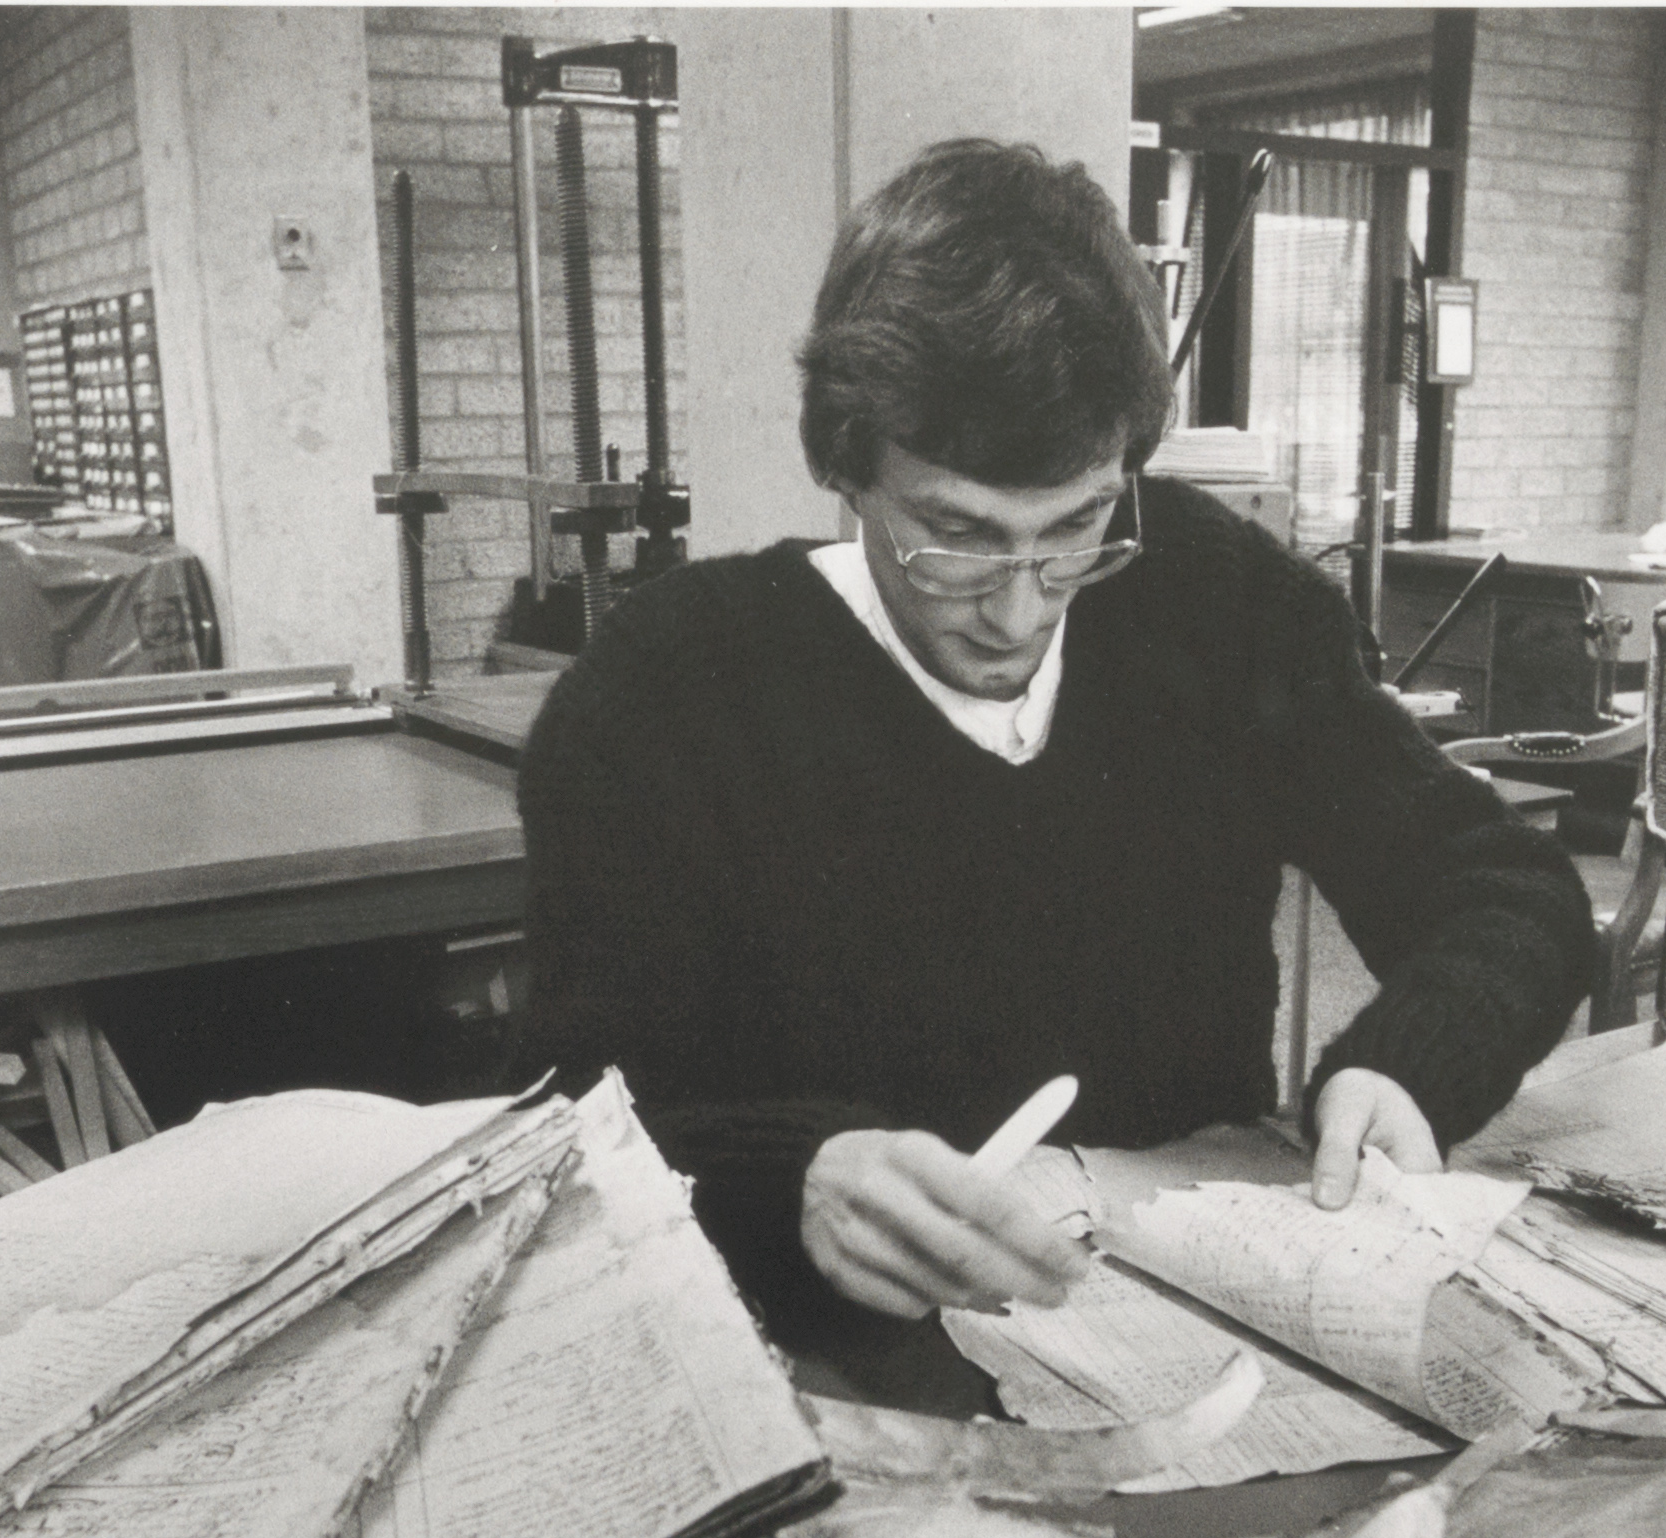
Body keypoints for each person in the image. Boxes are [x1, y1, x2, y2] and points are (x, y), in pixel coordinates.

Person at [512, 138, 1594, 1345]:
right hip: (839, 1354)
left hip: (1187, 1323)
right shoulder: (668, 693)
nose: (1020, 611)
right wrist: (793, 1176)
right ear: (845, 466)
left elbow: (1509, 891)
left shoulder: (1217, 601)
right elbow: (575, 1122)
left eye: (1077, 526)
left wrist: (1404, 1066)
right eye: (957, 537)